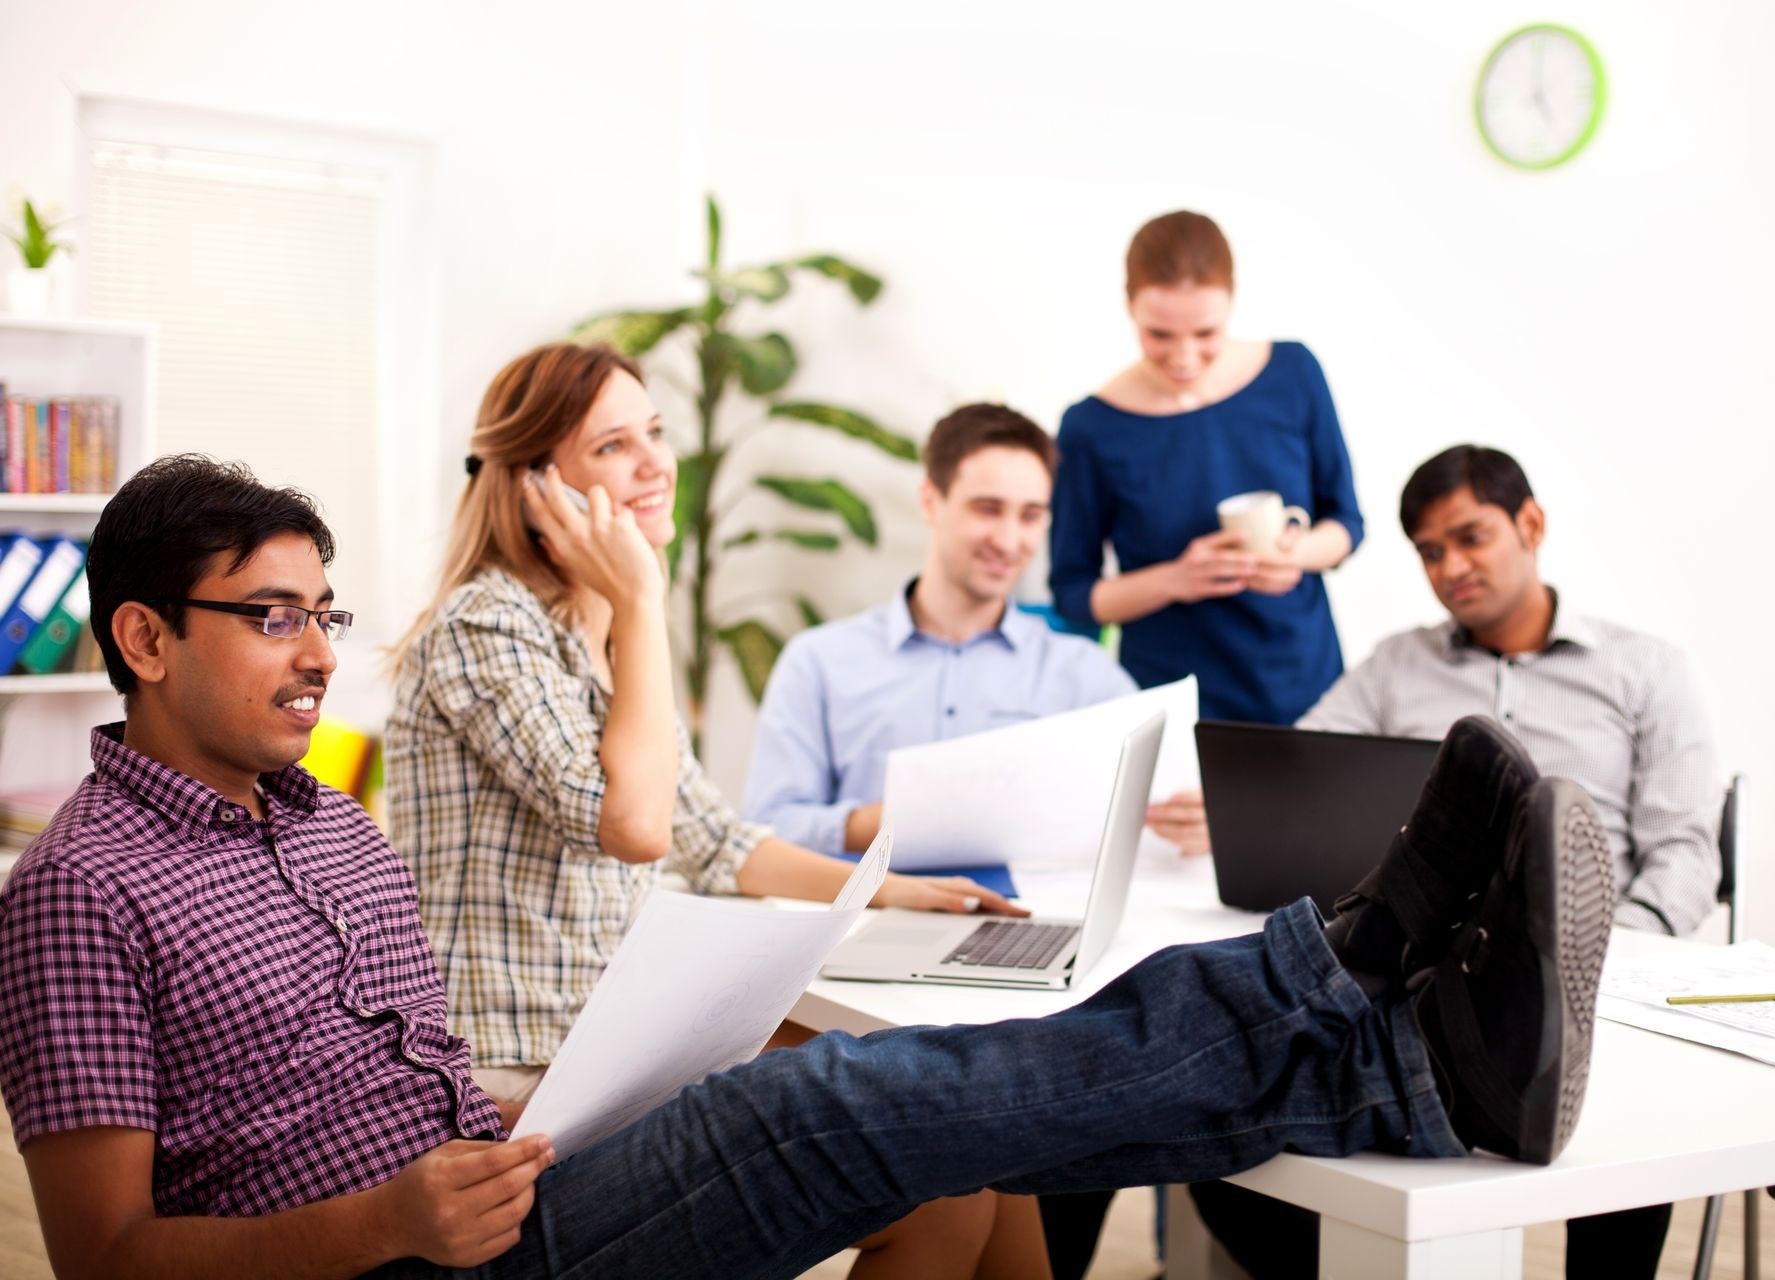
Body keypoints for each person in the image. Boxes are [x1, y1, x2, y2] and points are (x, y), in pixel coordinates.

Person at [0, 453, 1616, 1280]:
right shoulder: (78, 898)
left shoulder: (327, 827)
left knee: (901, 1080)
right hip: (411, 1269)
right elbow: (107, 1259)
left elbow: (414, 1092)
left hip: (487, 1196)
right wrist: (390, 1226)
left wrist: (527, 1112)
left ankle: (1398, 1053)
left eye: (320, 613)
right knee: (853, 1102)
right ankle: (1349, 997)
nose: (310, 654)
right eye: (269, 618)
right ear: (144, 637)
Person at [383, 343, 1039, 1276]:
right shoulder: (487, 627)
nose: (657, 463)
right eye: (615, 446)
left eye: (655, 432)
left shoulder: (599, 627)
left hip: (614, 1041)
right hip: (519, 1072)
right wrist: (643, 602)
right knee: (937, 1178)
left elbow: (710, 837)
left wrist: (891, 890)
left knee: (971, 1119)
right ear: (539, 487)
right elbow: (635, 825)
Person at [1189, 444, 1722, 1280]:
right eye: (1430, 552)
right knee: (1227, 1123)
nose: (1451, 568)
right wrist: (1238, 799)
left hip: (1583, 974)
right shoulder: (1399, 663)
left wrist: (1606, 950)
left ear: (1531, 524)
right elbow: (1307, 765)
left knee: (1624, 1126)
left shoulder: (1646, 669)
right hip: (1413, 972)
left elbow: (1686, 851)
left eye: (1470, 538)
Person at [742, 401, 1208, 858]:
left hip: (1030, 920)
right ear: (931, 500)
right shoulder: (819, 662)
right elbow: (767, 827)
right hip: (866, 918)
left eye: (1029, 516)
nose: (1008, 541)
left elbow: (1167, 809)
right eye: (987, 509)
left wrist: (1196, 826)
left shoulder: (1084, 675)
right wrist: (896, 822)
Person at [1048, 210, 1364, 731]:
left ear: (1232, 301)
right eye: (1159, 334)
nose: (1184, 357)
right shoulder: (1090, 427)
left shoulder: (1293, 373)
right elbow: (1076, 594)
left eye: (1205, 332)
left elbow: (1347, 521)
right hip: (1174, 703)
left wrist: (1296, 555)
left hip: (1306, 683)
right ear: (1129, 307)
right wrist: (1177, 579)